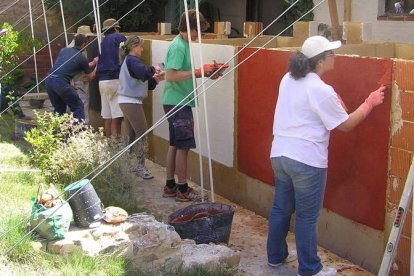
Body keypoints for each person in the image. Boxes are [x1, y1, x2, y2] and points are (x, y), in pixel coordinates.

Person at [266, 36, 386, 276]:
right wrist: (369, 102)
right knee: (307, 217)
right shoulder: (320, 89)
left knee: (281, 208)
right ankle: (310, 269)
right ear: (320, 61)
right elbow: (346, 124)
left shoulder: (288, 79)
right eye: (331, 54)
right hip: (306, 160)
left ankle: (275, 257)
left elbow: (309, 109)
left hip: (280, 154)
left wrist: (333, 102)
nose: (335, 57)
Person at [161, 10, 220, 202]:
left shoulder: (182, 44)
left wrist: (206, 72)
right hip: (178, 102)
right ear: (191, 28)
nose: (199, 36)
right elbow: (169, 75)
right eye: (198, 31)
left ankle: (171, 186)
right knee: (183, 147)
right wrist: (196, 72)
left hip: (174, 100)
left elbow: (181, 73)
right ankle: (183, 189)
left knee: (175, 145)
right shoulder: (178, 46)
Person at [118, 36, 164, 180]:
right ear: (133, 47)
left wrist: (156, 79)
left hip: (128, 101)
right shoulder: (132, 60)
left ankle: (123, 164)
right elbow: (144, 72)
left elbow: (144, 81)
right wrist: (155, 68)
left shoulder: (130, 61)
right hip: (131, 101)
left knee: (131, 135)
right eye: (140, 46)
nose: (142, 49)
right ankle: (140, 166)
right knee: (142, 133)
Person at [45, 34, 96, 121]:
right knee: (78, 106)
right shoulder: (81, 57)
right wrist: (97, 66)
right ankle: (78, 132)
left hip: (48, 79)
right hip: (60, 82)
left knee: (59, 109)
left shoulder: (63, 50)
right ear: (84, 44)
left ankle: (57, 132)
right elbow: (90, 77)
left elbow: (66, 65)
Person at [96, 18, 126, 138]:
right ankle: (115, 146)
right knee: (117, 116)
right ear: (115, 28)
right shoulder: (118, 37)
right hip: (114, 79)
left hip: (102, 81)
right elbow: (126, 54)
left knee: (107, 116)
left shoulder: (102, 42)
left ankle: (108, 144)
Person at [69, 25, 98, 124]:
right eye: (88, 37)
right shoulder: (75, 48)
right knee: (82, 103)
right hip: (78, 80)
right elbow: (79, 66)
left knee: (79, 104)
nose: (89, 39)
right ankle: (83, 127)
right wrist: (94, 64)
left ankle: (79, 126)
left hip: (78, 79)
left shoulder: (75, 46)